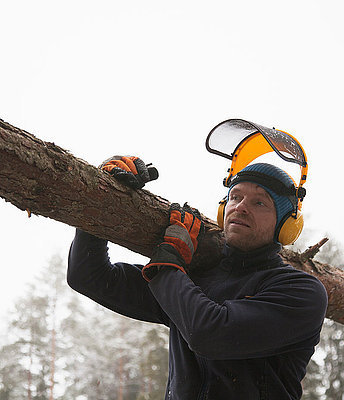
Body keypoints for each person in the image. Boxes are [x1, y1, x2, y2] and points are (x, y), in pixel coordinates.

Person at [67, 156, 328, 400]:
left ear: (285, 225)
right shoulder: (195, 282)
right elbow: (89, 276)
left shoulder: (301, 292)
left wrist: (168, 263)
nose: (241, 207)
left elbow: (210, 334)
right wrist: (98, 201)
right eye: (235, 197)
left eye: (259, 202)